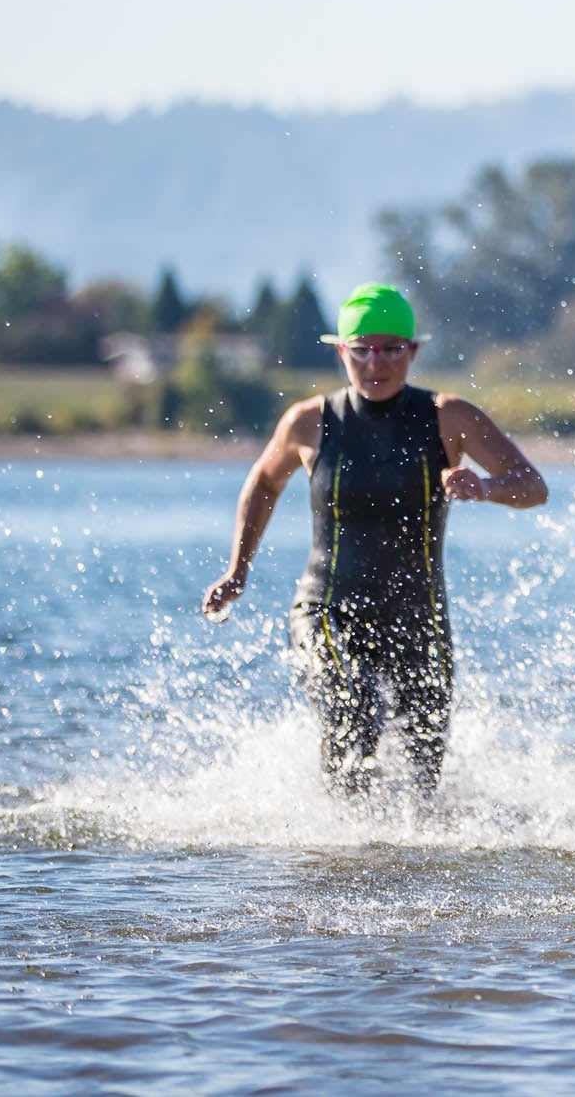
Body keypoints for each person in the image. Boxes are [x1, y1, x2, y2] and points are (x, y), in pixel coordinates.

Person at [200, 283, 547, 795]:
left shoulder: (448, 416)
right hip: (327, 610)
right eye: (360, 349)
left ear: (413, 351)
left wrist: (485, 486)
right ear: (342, 352)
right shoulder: (310, 422)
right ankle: (343, 852)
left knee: (424, 767)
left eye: (390, 348)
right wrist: (239, 569)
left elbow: (533, 486)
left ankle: (404, 860)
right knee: (352, 708)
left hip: (417, 614)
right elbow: (264, 482)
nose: (374, 362)